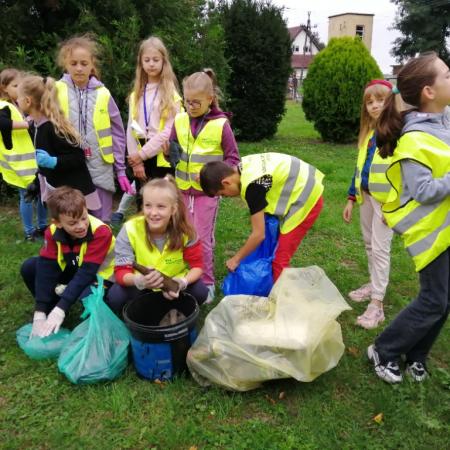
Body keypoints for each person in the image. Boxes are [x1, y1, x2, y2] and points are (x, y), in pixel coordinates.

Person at [367, 52, 450, 384]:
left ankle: (417, 355)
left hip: (447, 230)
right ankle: (384, 350)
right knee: (433, 300)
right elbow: (425, 190)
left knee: (444, 302)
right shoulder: (415, 139)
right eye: (446, 74)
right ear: (428, 92)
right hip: (431, 236)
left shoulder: (444, 121)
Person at [168, 69, 240, 302]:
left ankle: (207, 282)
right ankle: (185, 272)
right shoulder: (179, 120)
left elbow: (233, 159)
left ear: (210, 99)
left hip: (206, 193)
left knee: (201, 237)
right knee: (182, 232)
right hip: (181, 189)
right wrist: (170, 151)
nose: (191, 107)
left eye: (196, 102)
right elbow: (174, 150)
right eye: (187, 102)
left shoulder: (221, 125)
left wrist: (214, 175)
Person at [200, 152, 324, 281]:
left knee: (280, 260)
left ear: (226, 182)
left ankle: (281, 298)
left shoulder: (253, 187)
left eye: (224, 194)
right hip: (307, 179)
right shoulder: (243, 167)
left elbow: (259, 234)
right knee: (276, 250)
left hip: (307, 198)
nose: (227, 197)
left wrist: (236, 259)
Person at [55, 34, 133, 223]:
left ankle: (101, 250)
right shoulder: (55, 90)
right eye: (74, 63)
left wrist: (120, 169)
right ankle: (73, 252)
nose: (79, 68)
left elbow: (117, 133)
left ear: (92, 65)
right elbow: (43, 127)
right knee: (71, 216)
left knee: (100, 219)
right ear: (66, 64)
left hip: (100, 166)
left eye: (84, 63)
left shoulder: (104, 94)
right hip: (68, 165)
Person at [21, 186, 115, 338]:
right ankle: (51, 312)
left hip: (99, 276)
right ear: (58, 223)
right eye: (72, 223)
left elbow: (87, 273)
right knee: (30, 267)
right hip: (74, 269)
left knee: (88, 299)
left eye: (84, 218)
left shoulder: (101, 231)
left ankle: (61, 310)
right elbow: (46, 269)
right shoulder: (52, 231)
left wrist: (62, 308)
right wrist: (40, 311)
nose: (81, 226)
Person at [107, 175, 208, 314]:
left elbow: (197, 267)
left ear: (173, 209)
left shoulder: (186, 232)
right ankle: (141, 312)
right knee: (115, 297)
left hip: (174, 283)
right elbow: (121, 271)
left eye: (161, 207)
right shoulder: (130, 229)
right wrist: (140, 280)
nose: (153, 213)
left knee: (200, 292)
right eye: (148, 205)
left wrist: (181, 283)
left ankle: (171, 308)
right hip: (143, 287)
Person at [342, 79, 394, 329]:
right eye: (369, 102)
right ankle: (374, 284)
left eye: (380, 100)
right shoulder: (368, 132)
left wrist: (394, 207)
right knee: (369, 245)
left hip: (386, 204)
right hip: (366, 198)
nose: (374, 106)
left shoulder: (396, 132)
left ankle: (377, 304)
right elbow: (359, 168)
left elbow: (404, 174)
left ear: (390, 101)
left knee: (381, 248)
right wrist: (351, 198)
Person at [17, 75, 99, 209]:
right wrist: (36, 183)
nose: (17, 100)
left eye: (18, 97)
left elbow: (78, 157)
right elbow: (43, 159)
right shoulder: (36, 126)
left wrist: (54, 161)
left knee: (77, 228)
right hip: (59, 193)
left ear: (27, 101)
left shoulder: (53, 127)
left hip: (74, 196)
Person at [124, 35, 182, 214]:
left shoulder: (171, 94)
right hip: (140, 156)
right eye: (147, 60)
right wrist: (136, 162)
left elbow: (170, 129)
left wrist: (142, 154)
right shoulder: (136, 94)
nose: (151, 64)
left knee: (163, 203)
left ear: (164, 61)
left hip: (161, 154)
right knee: (144, 203)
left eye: (156, 60)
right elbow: (130, 129)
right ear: (141, 63)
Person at [0, 68, 46, 241]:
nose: (19, 89)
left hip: (32, 160)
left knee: (42, 192)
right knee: (27, 196)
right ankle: (29, 232)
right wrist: (27, 123)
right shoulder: (3, 106)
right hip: (18, 162)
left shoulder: (19, 104)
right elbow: (2, 123)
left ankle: (42, 226)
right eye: (15, 85)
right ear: (4, 88)